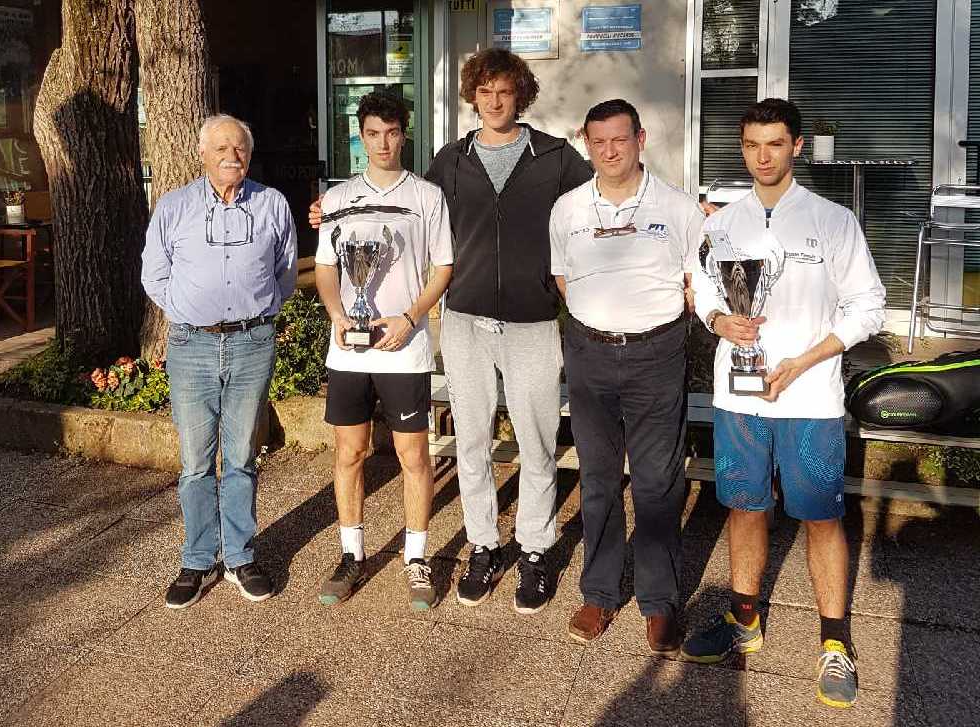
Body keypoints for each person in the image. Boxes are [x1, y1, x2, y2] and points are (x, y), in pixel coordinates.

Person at [312, 49, 591, 615]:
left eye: (504, 92)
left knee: (537, 442)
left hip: (532, 320)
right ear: (473, 97)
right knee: (471, 442)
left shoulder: (556, 157)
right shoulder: (451, 161)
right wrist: (327, 210)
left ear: (520, 95)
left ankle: (536, 549)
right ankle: (483, 544)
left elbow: (603, 199)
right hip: (464, 321)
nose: (494, 102)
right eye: (484, 92)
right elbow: (395, 208)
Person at [683, 98, 886, 709]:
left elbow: (869, 306)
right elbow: (701, 293)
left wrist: (805, 359)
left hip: (810, 397)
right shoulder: (720, 226)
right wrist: (720, 319)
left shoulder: (832, 221)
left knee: (820, 516)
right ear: (741, 148)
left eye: (774, 144)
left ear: (797, 147)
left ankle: (835, 643)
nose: (762, 156)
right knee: (744, 508)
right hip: (739, 396)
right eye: (751, 145)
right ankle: (745, 621)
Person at [549, 99, 702, 653]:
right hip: (589, 353)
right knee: (597, 478)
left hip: (657, 354)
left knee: (659, 483)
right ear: (586, 143)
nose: (609, 151)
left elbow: (695, 281)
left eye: (619, 139)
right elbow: (564, 278)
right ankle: (600, 592)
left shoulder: (680, 208)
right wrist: (601, 324)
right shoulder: (567, 208)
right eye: (598, 141)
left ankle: (660, 603)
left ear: (642, 138)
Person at [141, 114, 298, 609]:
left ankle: (239, 556)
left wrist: (258, 311)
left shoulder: (271, 204)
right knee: (193, 462)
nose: (233, 155)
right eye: (222, 148)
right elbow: (154, 274)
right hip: (192, 346)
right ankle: (196, 558)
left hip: (253, 343)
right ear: (203, 155)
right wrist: (189, 310)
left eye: (241, 148)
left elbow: (286, 273)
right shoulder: (174, 207)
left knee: (241, 457)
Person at [313, 92, 453, 610]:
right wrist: (335, 314)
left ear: (404, 134)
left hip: (405, 347)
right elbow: (327, 267)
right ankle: (352, 554)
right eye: (373, 133)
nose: (383, 143)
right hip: (349, 351)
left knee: (413, 455)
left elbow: (443, 266)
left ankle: (417, 559)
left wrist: (411, 317)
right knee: (350, 452)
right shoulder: (336, 199)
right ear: (360, 135)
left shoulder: (427, 196)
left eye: (392, 133)